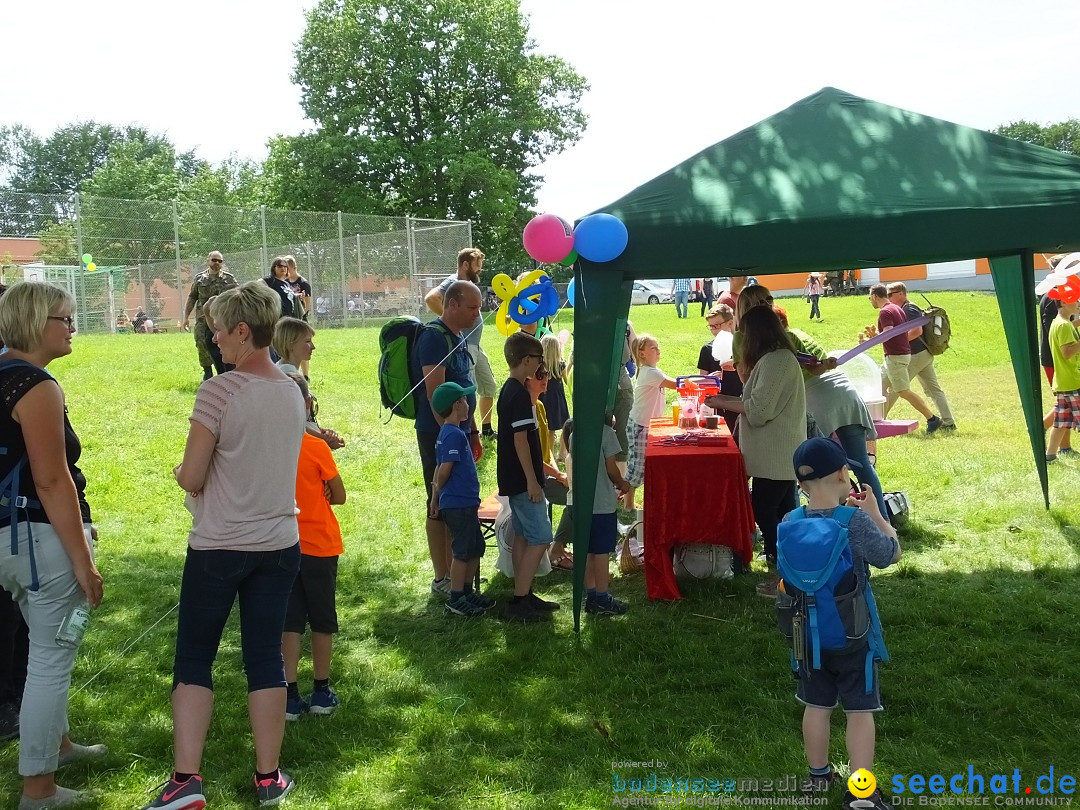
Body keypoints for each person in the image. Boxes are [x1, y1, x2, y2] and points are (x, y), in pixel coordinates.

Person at [144, 281, 306, 810]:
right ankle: (269, 779)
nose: (212, 337)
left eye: (218, 329)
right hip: (280, 543)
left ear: (243, 331)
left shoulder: (219, 391)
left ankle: (186, 781)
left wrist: (180, 472)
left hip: (219, 546)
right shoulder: (292, 389)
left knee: (194, 658)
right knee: (265, 659)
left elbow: (191, 475)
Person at [0, 282, 106, 810]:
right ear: (36, 322)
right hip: (38, 539)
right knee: (48, 660)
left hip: (10, 541)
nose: (72, 327)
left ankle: (58, 745)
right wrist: (84, 561)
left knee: (43, 648)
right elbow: (52, 481)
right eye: (64, 319)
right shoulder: (35, 385)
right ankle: (38, 790)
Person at [783, 437, 900, 810]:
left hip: (808, 638)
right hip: (854, 635)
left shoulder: (790, 522)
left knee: (816, 706)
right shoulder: (854, 522)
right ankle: (861, 793)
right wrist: (878, 515)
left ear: (801, 485)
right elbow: (891, 554)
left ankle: (818, 777)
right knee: (859, 712)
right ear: (840, 475)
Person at [707, 306, 805, 584]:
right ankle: (786, 560)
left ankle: (783, 560)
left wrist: (722, 401)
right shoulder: (774, 359)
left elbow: (760, 411)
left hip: (776, 454)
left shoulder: (777, 361)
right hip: (778, 452)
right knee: (783, 511)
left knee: (763, 509)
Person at [773, 306, 888, 520]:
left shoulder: (783, 340)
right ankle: (882, 522)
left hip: (820, 401)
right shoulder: (800, 334)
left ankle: (822, 519)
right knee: (861, 464)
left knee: (817, 467)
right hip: (846, 394)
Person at [280, 373, 346, 721]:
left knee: (289, 622)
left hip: (281, 545)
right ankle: (321, 690)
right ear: (307, 405)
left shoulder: (268, 448)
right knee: (322, 620)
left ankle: (289, 696)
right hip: (319, 545)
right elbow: (340, 495)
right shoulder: (317, 447)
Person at [415, 281, 483, 597]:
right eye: (472, 307)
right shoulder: (433, 337)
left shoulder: (457, 336)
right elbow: (436, 395)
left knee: (453, 502)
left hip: (458, 434)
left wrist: (472, 432)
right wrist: (452, 437)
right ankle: (442, 578)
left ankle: (455, 575)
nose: (477, 314)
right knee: (439, 500)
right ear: (452, 304)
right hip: (438, 435)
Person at [497, 331, 558, 622]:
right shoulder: (519, 394)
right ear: (525, 360)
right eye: (537, 360)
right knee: (541, 536)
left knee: (523, 535)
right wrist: (532, 481)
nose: (539, 365)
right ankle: (520, 599)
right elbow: (520, 440)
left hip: (514, 477)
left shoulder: (512, 389)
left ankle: (524, 593)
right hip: (523, 480)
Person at [429, 381, 496, 617]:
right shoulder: (452, 435)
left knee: (475, 546)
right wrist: (438, 495)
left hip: (465, 502)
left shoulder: (455, 432)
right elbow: (444, 469)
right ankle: (456, 596)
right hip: (457, 504)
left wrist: (435, 498)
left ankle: (467, 591)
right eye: (465, 400)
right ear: (457, 405)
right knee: (462, 551)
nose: (469, 404)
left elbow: (439, 468)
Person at [560, 419, 633, 615]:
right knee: (601, 553)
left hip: (580, 504)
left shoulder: (576, 434)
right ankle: (602, 598)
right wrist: (622, 484)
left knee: (587, 551)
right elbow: (611, 469)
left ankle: (592, 595)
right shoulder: (606, 433)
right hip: (601, 504)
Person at [424, 248, 498, 438]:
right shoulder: (453, 283)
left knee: (488, 386)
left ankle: (485, 428)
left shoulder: (467, 284)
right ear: (465, 264)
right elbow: (431, 298)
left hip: (474, 346)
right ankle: (463, 429)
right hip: (464, 345)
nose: (480, 271)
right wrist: (450, 322)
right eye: (477, 266)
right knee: (466, 385)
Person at [866, 284, 939, 432]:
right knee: (880, 386)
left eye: (870, 298)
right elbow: (894, 333)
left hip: (896, 357)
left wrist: (869, 341)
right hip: (898, 354)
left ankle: (932, 419)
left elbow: (888, 333)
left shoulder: (885, 311)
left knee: (903, 391)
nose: (870, 301)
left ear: (875, 296)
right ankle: (880, 422)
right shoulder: (896, 308)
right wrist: (875, 337)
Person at [886, 283, 955, 432]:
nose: (888, 298)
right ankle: (948, 423)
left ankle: (877, 421)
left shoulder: (909, 309)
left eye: (890, 294)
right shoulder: (905, 309)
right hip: (923, 354)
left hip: (916, 355)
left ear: (901, 294)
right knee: (933, 389)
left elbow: (916, 331)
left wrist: (897, 342)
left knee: (897, 387)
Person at [623, 334, 678, 514]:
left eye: (657, 347)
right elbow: (676, 384)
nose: (658, 350)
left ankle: (628, 500)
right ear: (642, 354)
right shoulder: (650, 373)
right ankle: (628, 504)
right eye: (653, 348)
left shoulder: (653, 371)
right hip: (641, 425)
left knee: (639, 464)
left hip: (646, 425)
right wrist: (698, 381)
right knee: (637, 467)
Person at [525, 365, 571, 570]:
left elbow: (547, 451)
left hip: (545, 473)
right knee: (577, 497)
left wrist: (559, 472)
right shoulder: (524, 411)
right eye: (539, 375)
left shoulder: (540, 406)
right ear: (526, 380)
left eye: (546, 374)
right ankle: (556, 549)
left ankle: (559, 546)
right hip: (532, 480)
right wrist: (558, 474)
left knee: (580, 493)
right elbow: (532, 458)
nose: (545, 379)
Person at [181, 251, 238, 380]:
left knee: (223, 346)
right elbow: (192, 298)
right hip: (203, 320)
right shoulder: (199, 279)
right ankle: (207, 372)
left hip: (223, 321)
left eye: (220, 261)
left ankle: (224, 373)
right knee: (201, 345)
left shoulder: (229, 279)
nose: (217, 263)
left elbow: (237, 297)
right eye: (214, 260)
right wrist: (185, 318)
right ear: (208, 260)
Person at [1045, 297, 1080, 462]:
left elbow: (1068, 329)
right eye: (1075, 301)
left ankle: (1050, 455)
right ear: (1064, 303)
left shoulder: (1058, 322)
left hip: (1063, 382)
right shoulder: (1064, 325)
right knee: (1062, 421)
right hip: (1074, 382)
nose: (1078, 303)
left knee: (1061, 421)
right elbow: (1067, 352)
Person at [698, 304, 740, 432]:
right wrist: (709, 379)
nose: (714, 330)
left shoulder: (742, 348)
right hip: (715, 406)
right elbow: (701, 381)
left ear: (730, 323)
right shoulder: (707, 350)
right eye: (711, 326)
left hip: (738, 403)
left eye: (717, 326)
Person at [539, 334, 570, 444]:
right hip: (557, 399)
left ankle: (547, 451)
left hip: (543, 398)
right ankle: (558, 452)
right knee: (560, 426)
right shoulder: (561, 365)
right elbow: (566, 380)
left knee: (545, 427)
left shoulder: (539, 366)